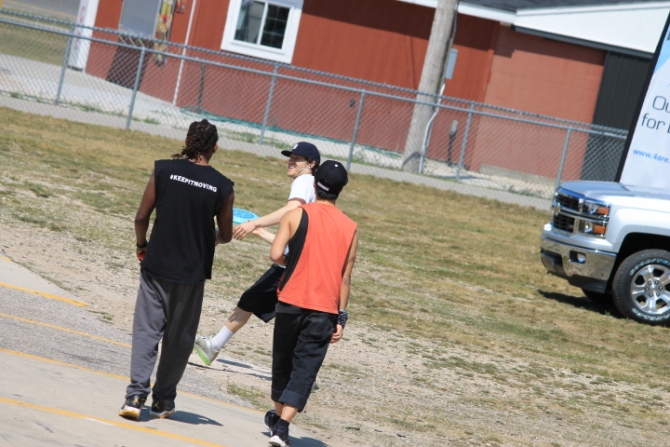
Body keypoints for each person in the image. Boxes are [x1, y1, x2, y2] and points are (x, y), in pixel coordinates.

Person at [119, 119, 235, 420]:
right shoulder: (222, 186)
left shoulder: (163, 170)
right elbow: (225, 234)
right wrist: (212, 236)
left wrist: (142, 245)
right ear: (215, 147)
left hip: (156, 265)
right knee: (180, 338)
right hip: (191, 273)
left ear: (187, 141)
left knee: (147, 330)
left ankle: (135, 395)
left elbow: (141, 216)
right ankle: (163, 399)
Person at [193, 142, 321, 366]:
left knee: (257, 303)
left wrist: (254, 223)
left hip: (291, 266)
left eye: (297, 158)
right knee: (263, 305)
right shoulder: (314, 186)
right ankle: (302, 369)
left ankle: (214, 346)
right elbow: (297, 236)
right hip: (301, 262)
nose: (291, 161)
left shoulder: (305, 180)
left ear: (311, 164)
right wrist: (261, 232)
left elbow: (290, 211)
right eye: (290, 156)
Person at [265, 160, 359, 447]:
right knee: (305, 367)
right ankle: (281, 424)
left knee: (283, 362)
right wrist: (341, 317)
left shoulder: (296, 215)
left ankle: (279, 422)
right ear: (340, 190)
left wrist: (292, 262)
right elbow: (345, 277)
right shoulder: (350, 227)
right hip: (324, 308)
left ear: (315, 183)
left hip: (291, 299)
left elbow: (276, 254)